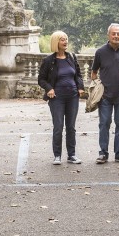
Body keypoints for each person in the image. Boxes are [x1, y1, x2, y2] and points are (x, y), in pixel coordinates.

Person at [36, 31, 85, 165]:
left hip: (72, 97)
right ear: (56, 42)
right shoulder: (49, 61)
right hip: (57, 98)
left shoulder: (71, 57)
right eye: (62, 40)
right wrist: (49, 89)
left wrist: (80, 87)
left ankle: (72, 155)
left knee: (71, 127)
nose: (65, 42)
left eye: (66, 39)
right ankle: (57, 155)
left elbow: (78, 75)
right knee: (58, 126)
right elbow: (41, 79)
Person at [91, 23, 119, 164]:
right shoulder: (100, 52)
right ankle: (103, 153)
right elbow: (93, 72)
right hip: (105, 96)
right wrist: (97, 87)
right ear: (108, 35)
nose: (116, 36)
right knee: (104, 123)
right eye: (113, 33)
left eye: (118, 33)